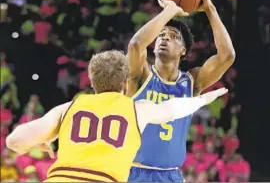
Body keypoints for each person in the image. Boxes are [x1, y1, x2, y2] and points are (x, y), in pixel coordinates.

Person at [6, 50, 227, 182]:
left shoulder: (68, 108)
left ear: (92, 81)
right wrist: (203, 100)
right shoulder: (138, 109)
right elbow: (175, 108)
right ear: (124, 83)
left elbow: (14, 141)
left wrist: (43, 140)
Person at [127, 0, 235, 182]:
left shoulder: (191, 82)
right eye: (161, 35)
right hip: (133, 171)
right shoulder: (140, 75)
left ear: (183, 50)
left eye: (173, 36)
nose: (165, 38)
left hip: (172, 175)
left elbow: (227, 56)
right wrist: (169, 11)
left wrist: (210, 9)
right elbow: (135, 45)